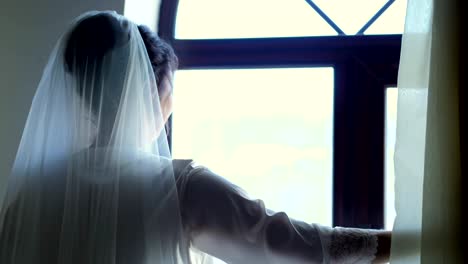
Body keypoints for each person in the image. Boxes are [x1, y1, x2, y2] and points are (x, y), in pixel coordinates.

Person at [0, 11, 390, 264]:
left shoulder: (29, 196)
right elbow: (288, 243)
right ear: (148, 94)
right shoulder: (179, 188)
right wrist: (394, 242)